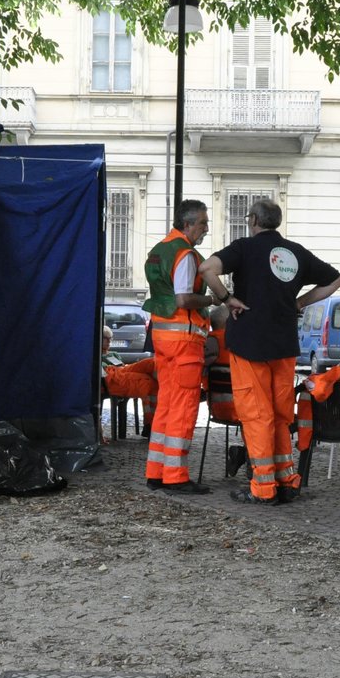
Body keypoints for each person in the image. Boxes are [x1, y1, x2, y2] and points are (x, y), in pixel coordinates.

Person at [200, 200, 340, 505]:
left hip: (249, 343)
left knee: (256, 414)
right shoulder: (295, 252)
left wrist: (228, 299)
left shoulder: (243, 248)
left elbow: (207, 269)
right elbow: (335, 280)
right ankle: (286, 480)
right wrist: (300, 303)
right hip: (284, 344)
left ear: (253, 220)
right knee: (280, 414)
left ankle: (262, 487)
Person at [141, 200, 216, 493]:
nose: (205, 229)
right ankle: (176, 476)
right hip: (185, 341)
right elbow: (184, 299)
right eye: (202, 223)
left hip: (163, 339)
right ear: (187, 224)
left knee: (166, 406)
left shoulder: (159, 250)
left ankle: (156, 472)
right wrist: (212, 300)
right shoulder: (185, 254)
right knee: (184, 409)